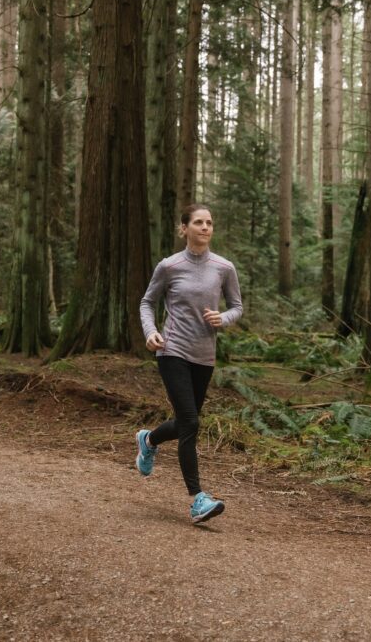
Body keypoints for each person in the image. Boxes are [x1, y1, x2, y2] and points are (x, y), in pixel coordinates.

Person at [136, 204, 243, 523]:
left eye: (209, 222)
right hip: (172, 350)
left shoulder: (224, 267)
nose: (205, 227)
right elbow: (147, 302)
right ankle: (198, 499)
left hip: (204, 355)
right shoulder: (169, 266)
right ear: (184, 229)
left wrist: (222, 318)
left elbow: (237, 306)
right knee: (191, 422)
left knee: (187, 421)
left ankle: (149, 439)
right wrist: (151, 331)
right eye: (198, 222)